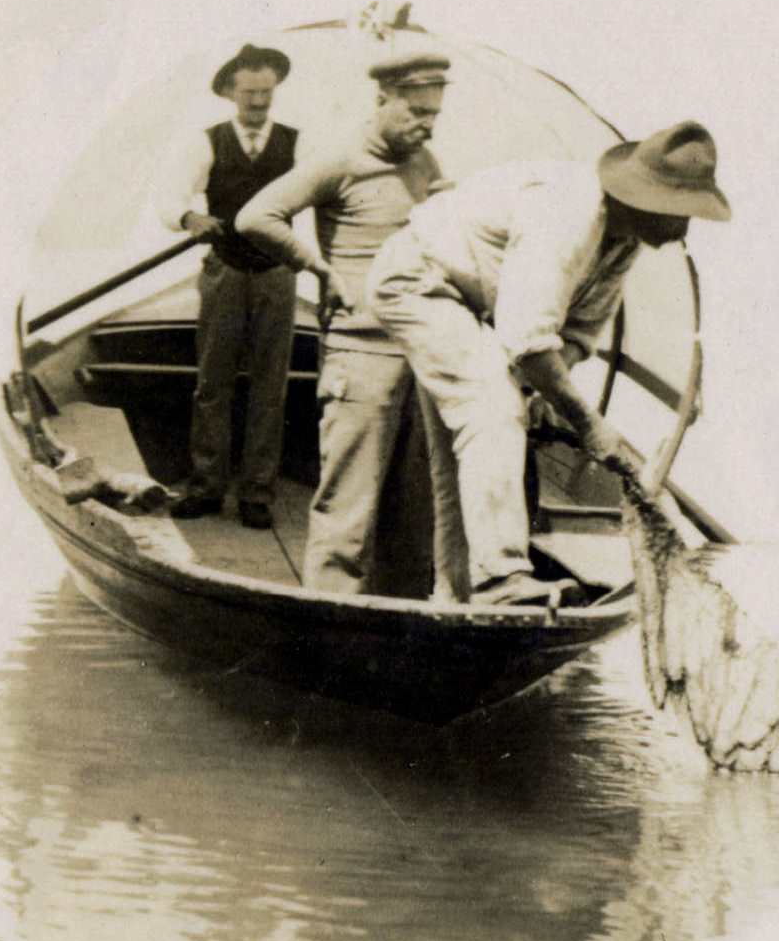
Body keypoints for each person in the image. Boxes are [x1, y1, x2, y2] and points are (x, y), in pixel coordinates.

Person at [366, 121, 732, 605]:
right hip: (418, 281)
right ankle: (500, 581)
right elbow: (528, 337)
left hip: (477, 309)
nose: (684, 228)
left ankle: (455, 598)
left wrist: (539, 390)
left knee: (466, 455)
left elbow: (576, 333)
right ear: (645, 198)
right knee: (492, 406)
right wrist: (588, 423)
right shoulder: (568, 212)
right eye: (679, 212)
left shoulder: (624, 241)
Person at [235, 48, 451, 593]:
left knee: (415, 501)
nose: (426, 126)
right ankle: (329, 608)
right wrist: (317, 267)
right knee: (348, 499)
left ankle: (404, 621)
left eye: (434, 114)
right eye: (417, 112)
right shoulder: (339, 158)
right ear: (384, 99)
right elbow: (255, 216)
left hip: (421, 350)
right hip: (361, 352)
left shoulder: (423, 160)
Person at [157, 44, 299, 530]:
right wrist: (189, 216)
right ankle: (207, 487)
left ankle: (257, 495)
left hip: (278, 275)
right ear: (230, 94)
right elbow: (169, 199)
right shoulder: (207, 142)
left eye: (265, 92)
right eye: (249, 93)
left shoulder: (298, 144)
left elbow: (325, 198)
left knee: (270, 389)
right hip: (225, 272)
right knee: (212, 384)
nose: (258, 102)